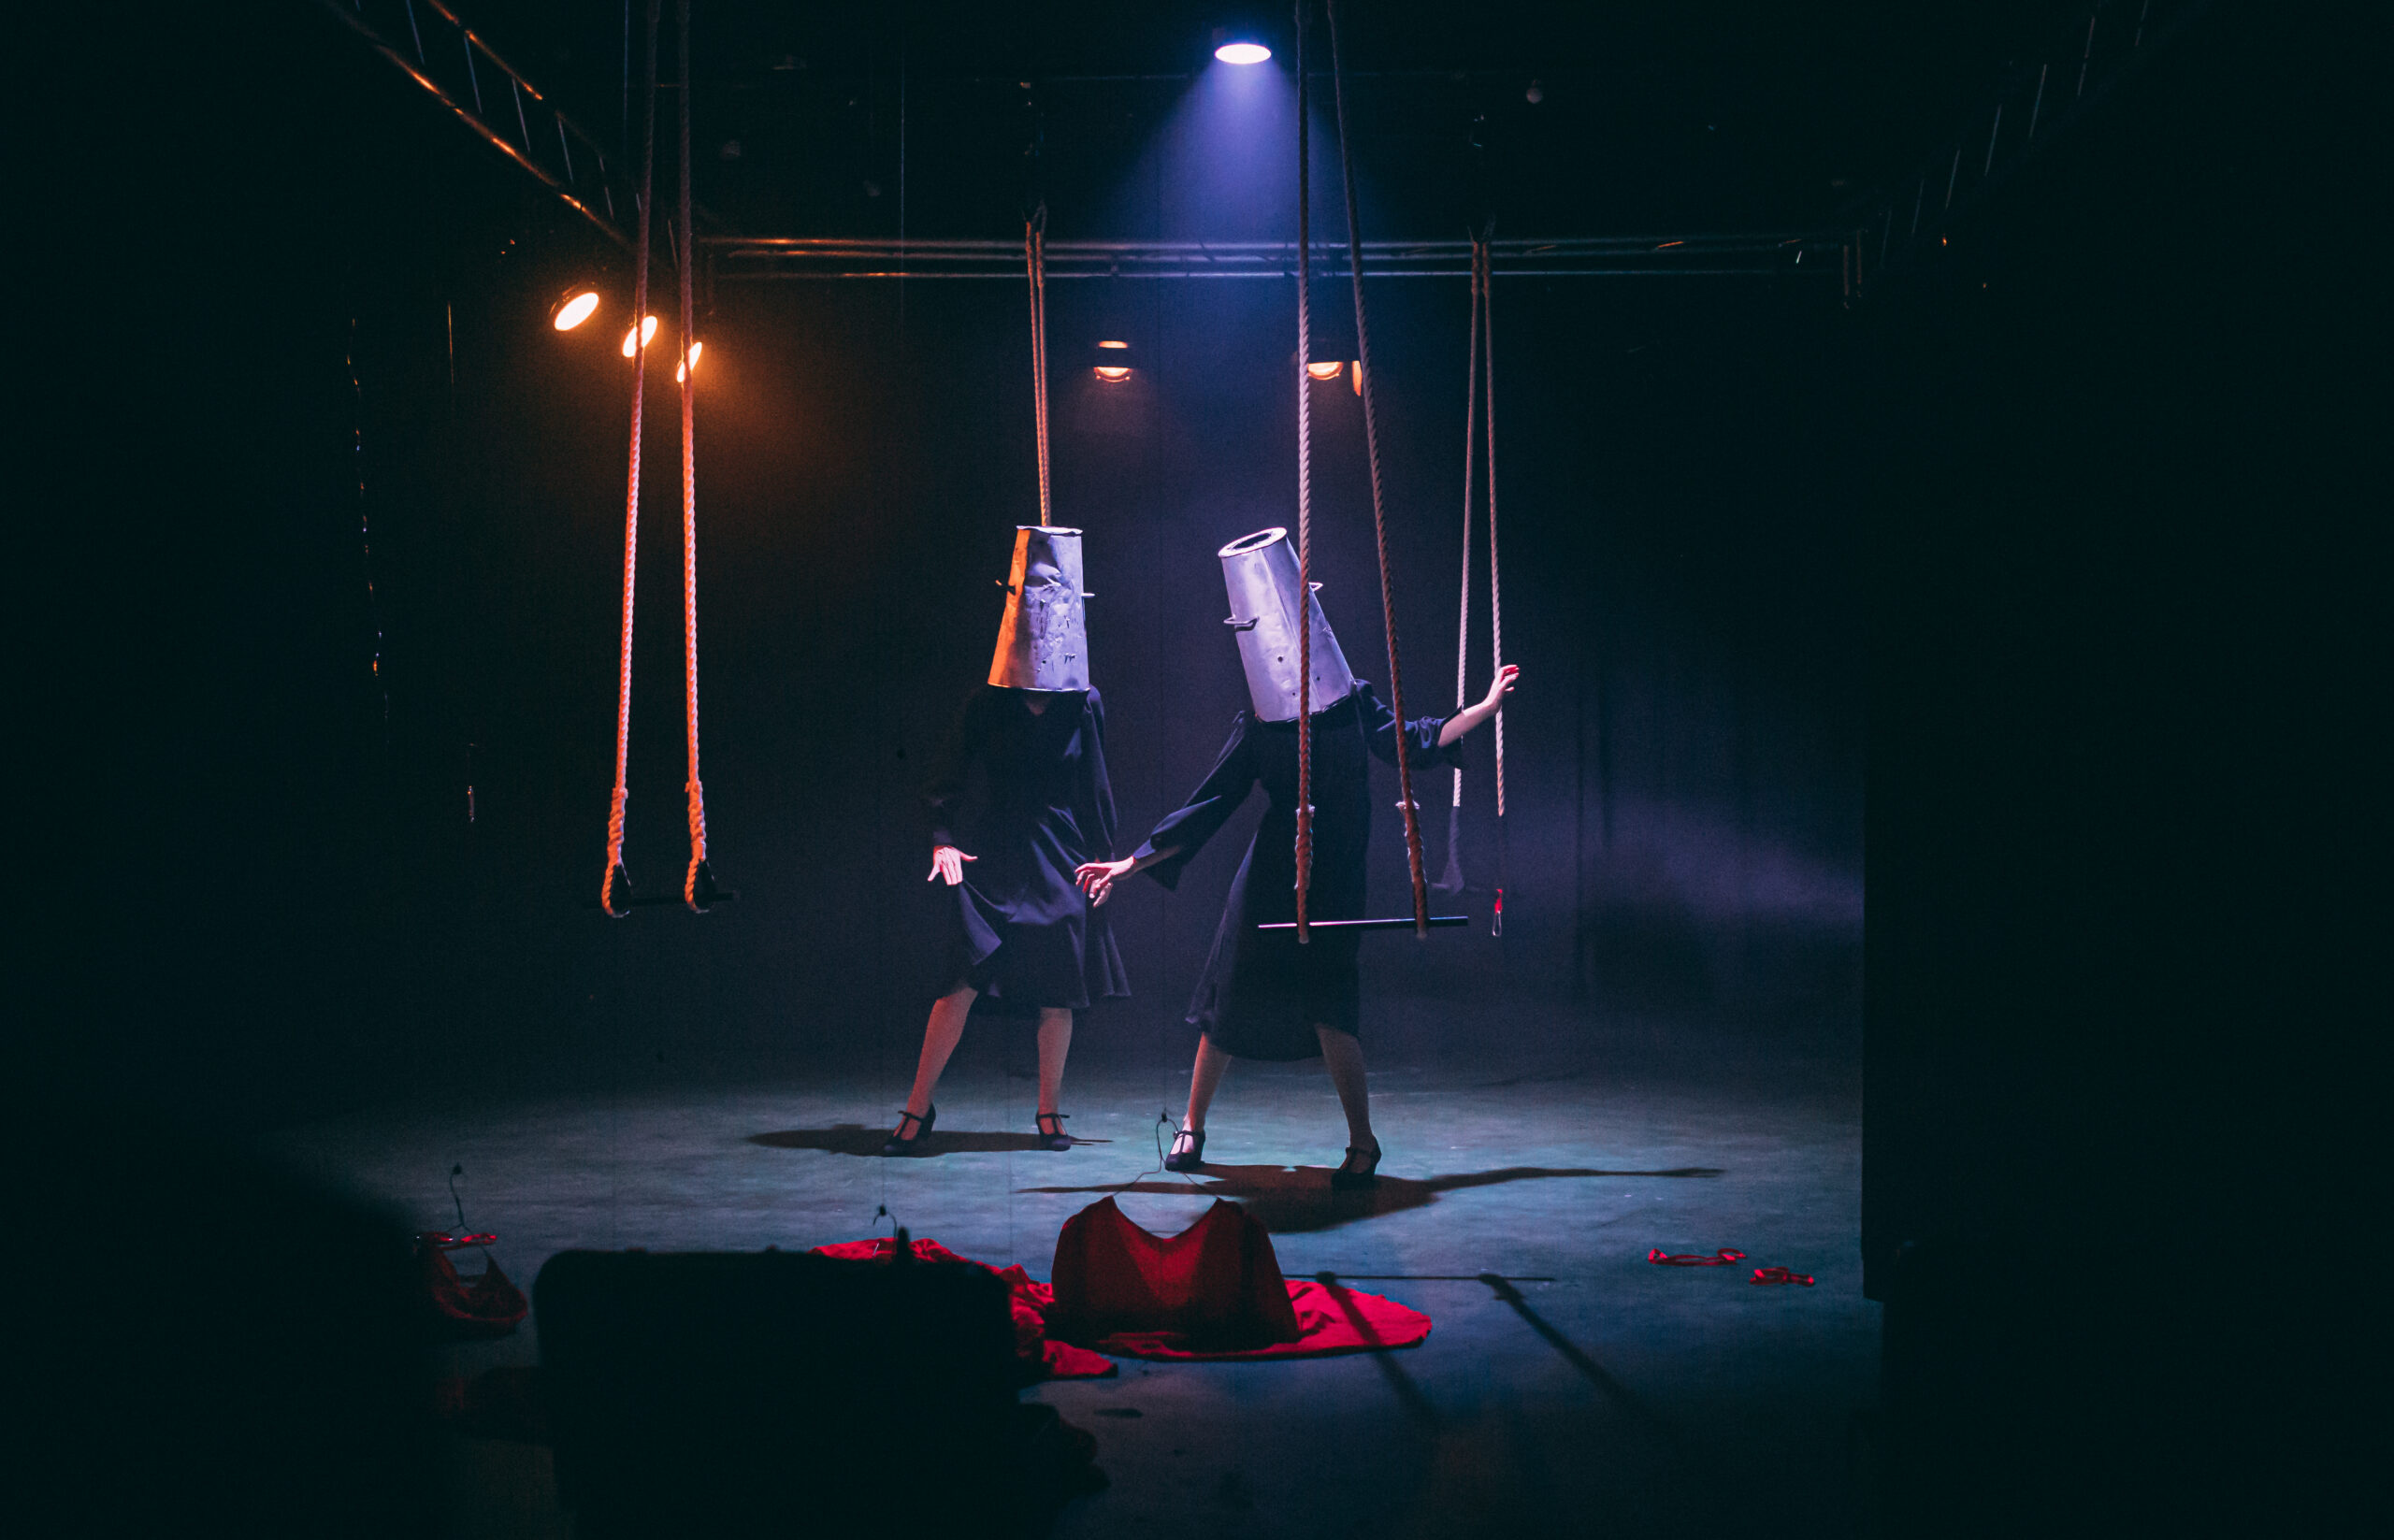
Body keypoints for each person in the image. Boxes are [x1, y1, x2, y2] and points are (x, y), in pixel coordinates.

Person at [1075, 527, 1518, 1187]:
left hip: (1335, 869)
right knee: (1229, 994)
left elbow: (1414, 741)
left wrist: (1484, 707)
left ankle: (1362, 1142)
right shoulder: (1261, 722)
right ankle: (1193, 1125)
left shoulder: (1353, 703)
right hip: (1271, 872)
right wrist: (1129, 864)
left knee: (1330, 1002)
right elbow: (1210, 802)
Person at [887, 526, 1127, 1157]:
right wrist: (941, 838)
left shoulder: (1083, 703)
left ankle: (1048, 1112)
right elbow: (944, 777)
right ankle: (917, 1108)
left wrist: (1106, 862)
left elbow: (1095, 789)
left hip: (1061, 854)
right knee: (960, 981)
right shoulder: (988, 703)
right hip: (995, 853)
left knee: (1057, 990)